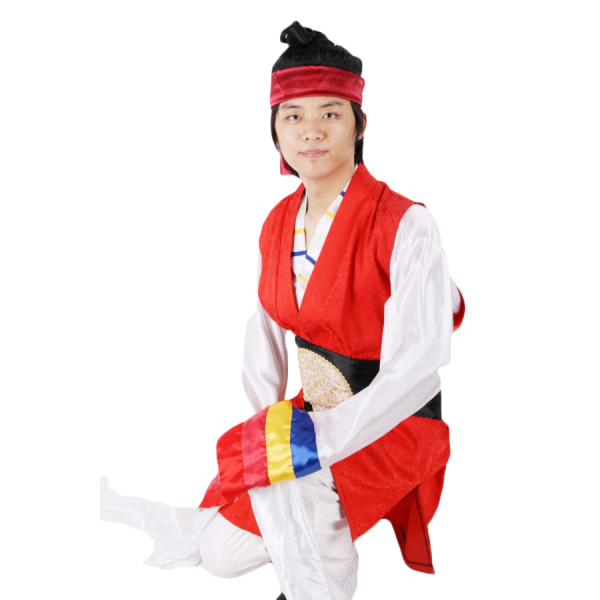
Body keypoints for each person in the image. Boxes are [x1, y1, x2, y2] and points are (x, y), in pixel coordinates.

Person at [100, 21, 465, 600]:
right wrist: (270, 427)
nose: (310, 131)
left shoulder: (405, 223)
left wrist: (321, 441)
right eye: (293, 116)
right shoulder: (278, 223)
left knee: (298, 494)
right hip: (312, 415)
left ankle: (317, 589)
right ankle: (313, 555)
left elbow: (417, 367)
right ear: (274, 129)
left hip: (395, 421)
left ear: (359, 124)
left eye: (330, 114)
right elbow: (265, 334)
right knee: (221, 552)